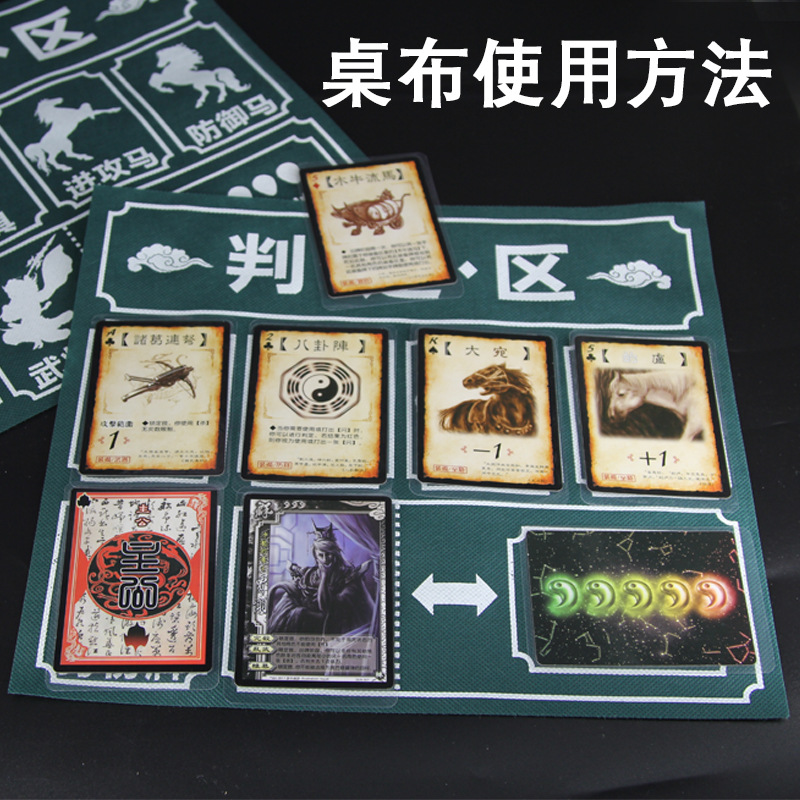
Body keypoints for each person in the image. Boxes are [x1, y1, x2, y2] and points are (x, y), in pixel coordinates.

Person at [267, 522, 375, 635]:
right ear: (316, 556)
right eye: (321, 555)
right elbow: (299, 583)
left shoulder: (344, 575)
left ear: (335, 555)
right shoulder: (310, 573)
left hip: (327, 622)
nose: (325, 559)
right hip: (305, 619)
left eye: (329, 554)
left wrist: (325, 576)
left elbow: (327, 607)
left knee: (301, 613)